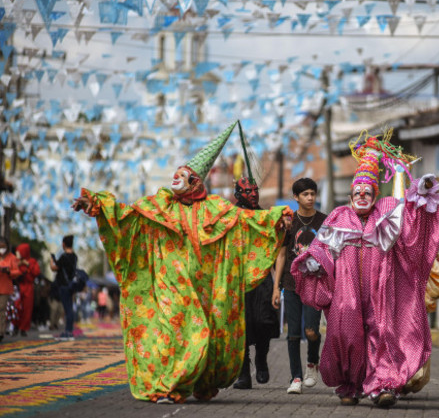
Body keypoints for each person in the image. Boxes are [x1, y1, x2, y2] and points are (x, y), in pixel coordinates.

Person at [71, 122, 292, 404]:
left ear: (195, 182)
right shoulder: (160, 207)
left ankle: (197, 380)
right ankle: (168, 384)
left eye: (183, 175)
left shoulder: (215, 208)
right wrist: (96, 204)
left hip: (204, 287)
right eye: (176, 174)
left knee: (204, 333)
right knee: (182, 330)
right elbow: (127, 216)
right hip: (169, 283)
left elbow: (246, 220)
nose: (176, 179)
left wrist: (278, 217)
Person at [291, 132, 439, 407]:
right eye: (357, 192)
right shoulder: (339, 216)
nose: (362, 195)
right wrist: (313, 260)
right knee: (345, 333)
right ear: (350, 194)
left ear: (375, 194)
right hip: (346, 289)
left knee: (382, 330)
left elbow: (408, 221)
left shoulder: (385, 213)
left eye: (367, 192)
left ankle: (383, 385)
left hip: (380, 284)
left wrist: (419, 191)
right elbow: (323, 246)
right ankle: (350, 384)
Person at [272, 177, 327, 395]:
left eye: (313, 193)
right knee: (293, 333)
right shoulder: (288, 222)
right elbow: (282, 254)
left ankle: (312, 362)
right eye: (305, 194)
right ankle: (296, 377)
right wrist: (276, 287)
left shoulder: (324, 221)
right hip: (291, 284)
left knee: (311, 331)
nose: (310, 197)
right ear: (296, 197)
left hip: (315, 283)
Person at [232, 177, 280, 390]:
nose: (252, 194)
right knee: (240, 327)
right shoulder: (230, 217)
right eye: (247, 191)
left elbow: (278, 243)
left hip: (261, 278)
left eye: (255, 190)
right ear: (238, 194)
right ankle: (243, 373)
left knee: (264, 322)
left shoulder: (265, 217)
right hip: (237, 279)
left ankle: (261, 357)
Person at [49, 235, 78, 341]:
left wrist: (52, 259)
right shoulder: (74, 257)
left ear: (63, 244)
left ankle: (67, 332)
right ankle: (69, 330)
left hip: (63, 286)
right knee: (69, 308)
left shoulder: (64, 257)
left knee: (67, 309)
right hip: (71, 285)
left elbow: (54, 268)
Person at [15, 243, 41, 336]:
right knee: (16, 307)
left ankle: (24, 328)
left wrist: (27, 264)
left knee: (27, 309)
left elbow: (36, 272)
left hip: (28, 287)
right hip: (18, 286)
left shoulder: (32, 261)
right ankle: (15, 326)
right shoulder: (16, 261)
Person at [0, 237, 20, 343]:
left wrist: (9, 271)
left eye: (3, 247)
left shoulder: (11, 257)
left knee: (1, 309)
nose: (1, 249)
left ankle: (1, 332)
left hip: (5, 288)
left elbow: (17, 272)